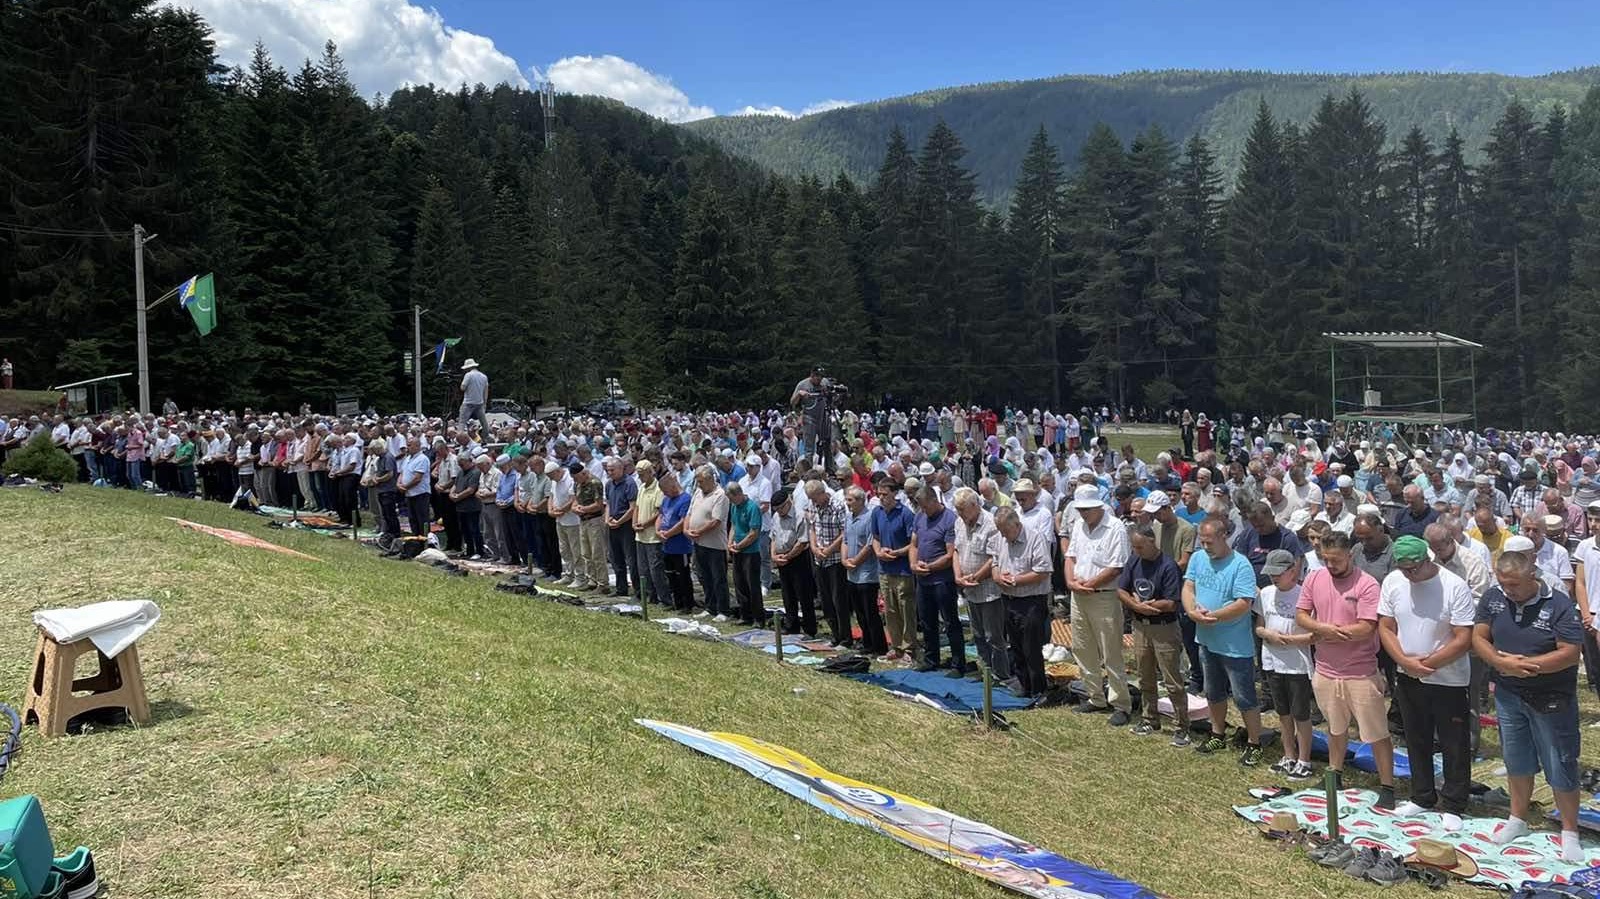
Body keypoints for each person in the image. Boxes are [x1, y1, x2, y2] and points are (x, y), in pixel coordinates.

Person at [1473, 550, 1585, 861]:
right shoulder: (1493, 597)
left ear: (1531, 576)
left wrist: (1528, 666)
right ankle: (1518, 819)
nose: (1508, 591)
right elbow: (1479, 636)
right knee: (1516, 758)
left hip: (1551, 698)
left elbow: (1570, 653)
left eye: (1514, 585)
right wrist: (1497, 660)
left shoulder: (1558, 604)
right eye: (1503, 584)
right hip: (1509, 695)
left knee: (1560, 761)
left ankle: (1569, 831)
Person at [1295, 531, 1396, 807]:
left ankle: (1388, 786)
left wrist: (1326, 633)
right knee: (1335, 727)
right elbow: (1301, 614)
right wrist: (1324, 629)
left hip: (1360, 671)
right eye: (1325, 559)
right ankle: (1335, 774)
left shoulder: (1367, 584)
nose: (1330, 565)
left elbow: (1367, 627)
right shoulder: (1315, 578)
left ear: (1350, 555)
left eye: (1336, 560)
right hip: (1325, 669)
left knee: (1376, 731)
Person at [1377, 535, 1476, 816]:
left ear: (1427, 560)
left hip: (1448, 679)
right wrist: (1404, 661)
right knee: (1416, 737)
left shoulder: (1453, 586)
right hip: (1408, 674)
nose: (1410, 575)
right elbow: (1386, 626)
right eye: (1404, 569)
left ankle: (1454, 805)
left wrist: (1427, 664)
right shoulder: (1394, 582)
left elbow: (1463, 637)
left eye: (1414, 569)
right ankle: (1422, 796)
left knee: (1453, 743)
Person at [1182, 517, 1266, 765]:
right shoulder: (1198, 558)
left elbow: (1244, 603)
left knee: (1244, 697)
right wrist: (1191, 611)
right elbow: (1188, 587)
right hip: (1207, 641)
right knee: (1213, 692)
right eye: (1203, 541)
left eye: (1209, 542)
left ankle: (1254, 742)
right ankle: (1217, 733)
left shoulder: (1241, 565)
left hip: (1234, 645)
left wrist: (1214, 617)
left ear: (1224, 536)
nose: (1205, 546)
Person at [1065, 484, 1132, 723]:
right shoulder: (1080, 526)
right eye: (1080, 509)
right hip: (1080, 594)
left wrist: (1089, 584)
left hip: (1103, 595)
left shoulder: (1115, 528)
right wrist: (1071, 582)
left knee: (1110, 650)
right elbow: (1070, 556)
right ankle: (1095, 696)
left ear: (1098, 507)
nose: (1083, 514)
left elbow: (1116, 566)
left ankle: (1121, 703)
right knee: (1082, 647)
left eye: (1087, 509)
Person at [1119, 522, 1189, 743]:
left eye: (1140, 547)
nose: (1136, 551)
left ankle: (1181, 725)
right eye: (1134, 547)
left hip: (1164, 628)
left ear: (1152, 541)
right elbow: (1121, 589)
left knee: (1171, 678)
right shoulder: (1134, 561)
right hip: (1140, 626)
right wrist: (1135, 605)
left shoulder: (1168, 566)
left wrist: (1149, 606)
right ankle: (1150, 718)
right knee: (1144, 674)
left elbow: (1172, 602)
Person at [1255, 549, 1315, 778]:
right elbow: (1259, 626)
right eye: (1271, 574)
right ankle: (1289, 755)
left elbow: (1313, 634)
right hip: (1272, 661)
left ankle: (1305, 759)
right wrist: (1268, 635)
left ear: (1293, 571)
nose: (1274, 578)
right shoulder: (1267, 594)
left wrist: (1289, 640)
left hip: (1296, 664)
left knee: (1301, 713)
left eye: (1278, 573)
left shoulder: (1304, 595)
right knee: (1283, 712)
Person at [994, 504, 1052, 697]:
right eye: (1000, 531)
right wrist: (997, 577)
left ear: (1017, 525)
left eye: (1006, 530)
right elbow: (994, 562)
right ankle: (1023, 684)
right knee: (1016, 645)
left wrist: (1016, 580)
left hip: (1031, 602)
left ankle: (1038, 689)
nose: (1003, 535)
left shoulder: (1035, 538)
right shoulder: (1001, 539)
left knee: (1031, 648)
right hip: (1008, 599)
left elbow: (1043, 571)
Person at [909, 484, 964, 676]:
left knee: (950, 622)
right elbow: (913, 544)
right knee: (927, 621)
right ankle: (931, 658)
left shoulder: (950, 520)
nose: (924, 511)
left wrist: (930, 567)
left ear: (934, 501)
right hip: (923, 580)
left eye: (926, 506)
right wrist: (914, 564)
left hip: (942, 580)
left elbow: (950, 554)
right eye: (921, 507)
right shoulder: (919, 517)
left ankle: (958, 663)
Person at [952, 487, 1005, 680]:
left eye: (962, 509)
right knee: (978, 634)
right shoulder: (959, 523)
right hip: (969, 589)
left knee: (993, 635)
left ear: (974, 506)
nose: (959, 514)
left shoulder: (990, 524)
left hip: (989, 589)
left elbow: (994, 558)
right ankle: (985, 670)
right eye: (957, 510)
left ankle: (1000, 674)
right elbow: (956, 551)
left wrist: (976, 578)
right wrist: (958, 576)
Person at [871, 479, 919, 662]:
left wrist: (897, 553)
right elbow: (875, 537)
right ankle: (896, 645)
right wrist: (878, 552)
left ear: (894, 493)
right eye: (879, 494)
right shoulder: (877, 512)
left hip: (902, 569)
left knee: (905, 608)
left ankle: (910, 647)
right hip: (884, 568)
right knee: (889, 609)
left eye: (885, 494)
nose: (881, 498)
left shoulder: (905, 514)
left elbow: (913, 543)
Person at [841, 485, 888, 655]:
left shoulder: (869, 518)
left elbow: (870, 544)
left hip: (867, 573)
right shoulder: (848, 517)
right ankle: (866, 642)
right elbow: (845, 540)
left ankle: (878, 645)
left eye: (851, 500)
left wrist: (856, 560)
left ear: (861, 501)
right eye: (847, 500)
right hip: (851, 573)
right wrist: (844, 559)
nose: (847, 503)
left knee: (870, 612)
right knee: (859, 612)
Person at [806, 479, 853, 647]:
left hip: (834, 560)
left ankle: (846, 637)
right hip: (819, 559)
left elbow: (844, 532)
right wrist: (814, 547)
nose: (812, 502)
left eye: (814, 498)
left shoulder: (838, 506)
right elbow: (812, 528)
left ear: (822, 493)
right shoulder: (813, 506)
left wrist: (830, 549)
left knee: (838, 599)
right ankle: (835, 635)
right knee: (825, 600)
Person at [687, 464, 731, 620]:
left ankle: (723, 610)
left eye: (701, 481)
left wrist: (699, 531)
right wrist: (687, 529)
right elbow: (690, 512)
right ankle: (710, 606)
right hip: (699, 543)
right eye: (698, 482)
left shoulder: (721, 495)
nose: (699, 485)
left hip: (715, 544)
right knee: (704, 576)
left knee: (718, 578)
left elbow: (716, 521)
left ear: (710, 479)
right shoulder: (698, 492)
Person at [770, 487, 816, 636]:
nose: (779, 512)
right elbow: (774, 537)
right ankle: (791, 625)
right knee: (787, 594)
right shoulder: (776, 517)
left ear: (788, 502)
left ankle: (809, 628)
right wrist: (774, 556)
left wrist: (788, 556)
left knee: (803, 594)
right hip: (782, 559)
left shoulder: (799, 515)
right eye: (776, 509)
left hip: (798, 559)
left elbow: (802, 542)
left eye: (781, 508)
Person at [656, 472, 696, 612]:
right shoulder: (666, 499)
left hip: (680, 546)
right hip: (667, 545)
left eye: (666, 491)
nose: (665, 494)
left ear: (673, 487)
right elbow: (661, 515)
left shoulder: (685, 499)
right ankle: (676, 601)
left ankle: (687, 604)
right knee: (670, 575)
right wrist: (658, 530)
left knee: (682, 576)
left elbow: (682, 522)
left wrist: (668, 533)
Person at [727, 481, 764, 625]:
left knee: (752, 585)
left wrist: (740, 546)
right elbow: (734, 526)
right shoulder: (734, 506)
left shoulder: (752, 507)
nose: (731, 501)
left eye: (731, 498)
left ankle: (758, 617)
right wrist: (730, 543)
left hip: (750, 551)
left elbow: (753, 533)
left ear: (739, 494)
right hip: (738, 550)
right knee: (739, 583)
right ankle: (745, 614)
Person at [633, 460, 669, 606]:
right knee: (643, 569)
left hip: (652, 536)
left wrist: (645, 524)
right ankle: (649, 595)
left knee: (656, 570)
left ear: (650, 472)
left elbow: (659, 512)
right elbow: (636, 507)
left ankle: (663, 598)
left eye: (642, 474)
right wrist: (634, 523)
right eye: (639, 475)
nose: (641, 477)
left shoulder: (658, 489)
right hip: (640, 536)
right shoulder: (641, 487)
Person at [604, 457, 639, 598]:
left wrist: (619, 521)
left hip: (625, 524)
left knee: (631, 559)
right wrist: (607, 519)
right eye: (608, 470)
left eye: (612, 470)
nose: (610, 473)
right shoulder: (609, 484)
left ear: (621, 469)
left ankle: (638, 590)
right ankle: (621, 588)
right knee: (615, 558)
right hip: (612, 523)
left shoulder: (630, 483)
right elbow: (608, 504)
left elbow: (632, 508)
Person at [790, 364, 834, 471]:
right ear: (812, 375)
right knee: (809, 448)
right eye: (817, 376)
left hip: (823, 415)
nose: (819, 378)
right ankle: (808, 470)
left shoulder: (825, 382)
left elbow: (832, 396)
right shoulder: (803, 384)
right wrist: (799, 395)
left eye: (821, 376)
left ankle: (830, 468)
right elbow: (792, 402)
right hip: (809, 416)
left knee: (827, 444)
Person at [396, 435, 432, 558]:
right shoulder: (407, 459)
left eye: (410, 445)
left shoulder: (422, 459)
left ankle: (425, 544)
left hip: (420, 494)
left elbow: (417, 478)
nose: (407, 447)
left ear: (417, 446)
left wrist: (405, 486)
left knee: (422, 519)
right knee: (412, 519)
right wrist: (399, 483)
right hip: (409, 494)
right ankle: (416, 542)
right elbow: (402, 473)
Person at [452, 453, 486, 559]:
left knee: (474, 529)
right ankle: (469, 550)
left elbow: (471, 490)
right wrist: (451, 494)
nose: (461, 466)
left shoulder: (475, 472)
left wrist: (458, 496)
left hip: (472, 506)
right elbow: (455, 485)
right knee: (464, 529)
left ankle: (479, 551)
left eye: (462, 464)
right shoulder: (460, 472)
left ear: (468, 461)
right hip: (460, 507)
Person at [458, 359, 490, 436]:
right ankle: (486, 436)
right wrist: (484, 403)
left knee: (462, 422)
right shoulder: (484, 376)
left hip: (468, 402)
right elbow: (486, 391)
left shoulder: (468, 375)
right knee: (484, 422)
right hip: (479, 402)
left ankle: (460, 437)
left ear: (468, 368)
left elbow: (463, 387)